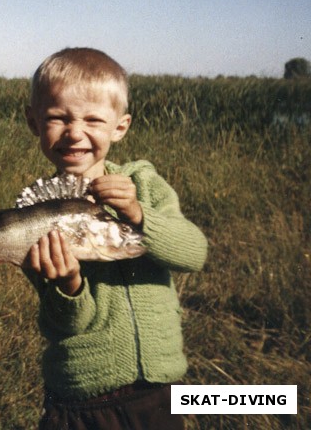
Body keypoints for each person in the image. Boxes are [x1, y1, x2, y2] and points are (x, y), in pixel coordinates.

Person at [21, 47, 207, 430]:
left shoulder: (144, 185)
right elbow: (64, 326)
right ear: (34, 123)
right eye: (57, 118)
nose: (75, 132)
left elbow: (194, 253)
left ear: (119, 127)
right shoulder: (36, 214)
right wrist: (67, 286)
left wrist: (140, 214)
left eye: (93, 119)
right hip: (80, 401)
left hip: (159, 391)